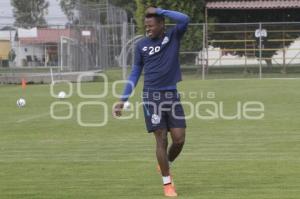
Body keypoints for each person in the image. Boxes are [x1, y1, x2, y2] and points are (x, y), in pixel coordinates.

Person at [113, 6, 189, 197]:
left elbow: (184, 18)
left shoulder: (173, 36)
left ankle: (165, 163)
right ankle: (167, 184)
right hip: (151, 97)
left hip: (171, 95)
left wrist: (161, 10)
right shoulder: (141, 46)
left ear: (162, 24)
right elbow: (135, 73)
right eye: (145, 26)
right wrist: (123, 98)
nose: (147, 29)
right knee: (161, 139)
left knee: (179, 139)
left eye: (151, 26)